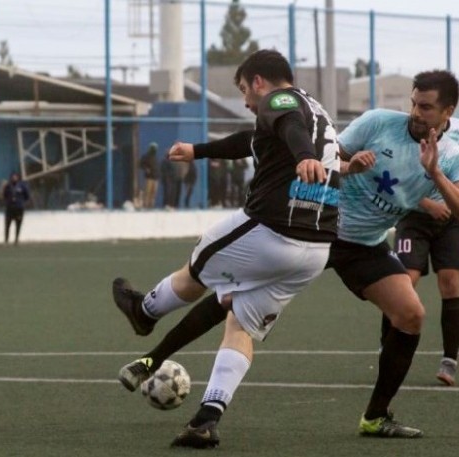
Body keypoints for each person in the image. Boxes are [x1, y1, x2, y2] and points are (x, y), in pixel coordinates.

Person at [112, 49, 339, 448]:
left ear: (257, 81)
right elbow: (250, 141)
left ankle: (144, 310)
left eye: (244, 91)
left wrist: (303, 155)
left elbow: (287, 123)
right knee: (240, 324)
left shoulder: (280, 100)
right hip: (314, 250)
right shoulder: (318, 111)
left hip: (272, 228)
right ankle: (206, 419)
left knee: (198, 264)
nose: (248, 102)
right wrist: (197, 151)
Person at [332, 69, 459, 437]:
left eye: (426, 107)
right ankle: (206, 406)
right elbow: (323, 160)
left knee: (411, 314)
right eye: (413, 103)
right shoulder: (378, 122)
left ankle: (375, 416)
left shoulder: (454, 156)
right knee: (247, 301)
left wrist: (436, 174)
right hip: (319, 229)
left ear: (448, 111)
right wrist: (348, 166)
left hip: (364, 245)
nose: (415, 112)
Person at [382, 117, 459, 387]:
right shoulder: (412, 129)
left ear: (448, 108)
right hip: (414, 217)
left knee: (452, 283)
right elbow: (399, 177)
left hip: (450, 222)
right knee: (404, 282)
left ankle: (449, 360)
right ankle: (387, 350)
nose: (423, 110)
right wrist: (429, 204)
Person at [2, 172, 29, 245]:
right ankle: (6, 240)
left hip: (19, 209)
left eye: (15, 176)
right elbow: (4, 195)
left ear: (18, 177)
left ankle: (16, 240)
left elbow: (27, 196)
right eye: (13, 177)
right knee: (7, 225)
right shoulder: (8, 186)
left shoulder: (22, 186)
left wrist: (22, 203)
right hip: (10, 208)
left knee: (18, 224)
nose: (14, 178)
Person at [140, 142, 160, 208]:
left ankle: (151, 205)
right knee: (147, 192)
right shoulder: (146, 156)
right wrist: (146, 168)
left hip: (155, 177)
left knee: (153, 193)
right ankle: (145, 205)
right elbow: (140, 164)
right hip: (149, 178)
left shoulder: (155, 157)